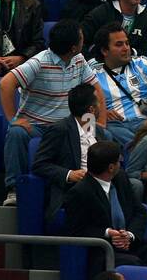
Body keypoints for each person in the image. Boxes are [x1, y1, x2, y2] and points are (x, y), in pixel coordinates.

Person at [0, 20, 103, 206]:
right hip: (37, 126)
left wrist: (100, 122)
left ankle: (100, 186)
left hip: (67, 127)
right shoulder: (38, 63)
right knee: (16, 133)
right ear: (73, 47)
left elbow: (95, 89)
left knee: (104, 134)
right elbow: (5, 83)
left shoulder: (79, 60)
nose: (83, 40)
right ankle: (14, 189)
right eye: (81, 38)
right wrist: (13, 119)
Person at [63, 139, 147, 275]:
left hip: (132, 244)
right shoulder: (79, 192)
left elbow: (140, 212)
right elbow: (76, 231)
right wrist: (108, 233)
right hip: (104, 251)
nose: (121, 163)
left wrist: (129, 235)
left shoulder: (120, 178)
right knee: (133, 264)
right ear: (111, 167)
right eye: (119, 161)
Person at [88, 21, 147, 145]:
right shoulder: (93, 74)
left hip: (145, 120)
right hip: (116, 125)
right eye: (119, 45)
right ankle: (144, 147)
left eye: (127, 43)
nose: (126, 48)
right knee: (104, 130)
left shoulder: (140, 63)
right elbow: (84, 107)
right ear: (105, 51)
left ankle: (141, 147)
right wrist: (101, 112)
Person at [31, 82, 102, 221]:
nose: (102, 106)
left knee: (132, 186)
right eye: (99, 102)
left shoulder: (99, 132)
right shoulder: (59, 130)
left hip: (102, 183)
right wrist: (69, 174)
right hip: (76, 189)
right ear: (91, 110)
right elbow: (39, 165)